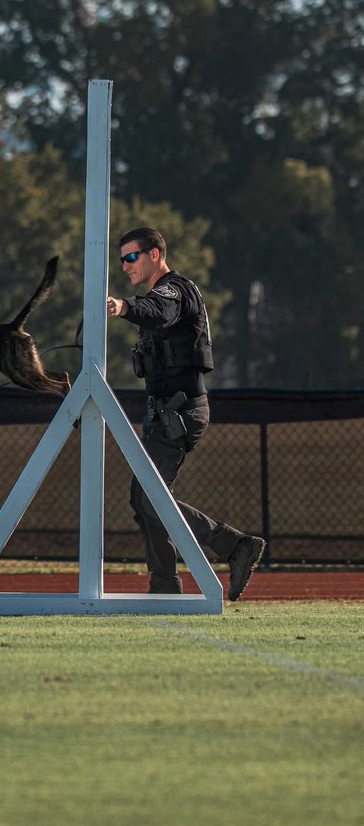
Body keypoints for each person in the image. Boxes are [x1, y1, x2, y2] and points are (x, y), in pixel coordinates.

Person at [106, 226, 264, 600]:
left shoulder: (174, 290)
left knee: (150, 497)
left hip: (180, 412)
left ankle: (233, 545)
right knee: (144, 498)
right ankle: (165, 586)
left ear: (155, 255)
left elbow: (158, 310)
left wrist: (123, 306)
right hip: (165, 412)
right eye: (122, 258)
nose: (125, 265)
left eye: (132, 257)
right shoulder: (161, 291)